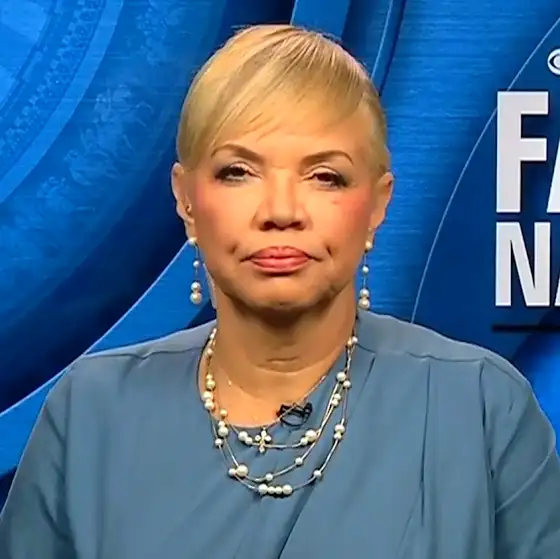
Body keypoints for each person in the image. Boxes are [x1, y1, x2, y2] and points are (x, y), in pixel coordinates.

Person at [0, 24, 559, 559]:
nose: (281, 211)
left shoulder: (481, 407)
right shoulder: (90, 414)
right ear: (186, 199)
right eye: (238, 172)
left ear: (377, 203)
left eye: (325, 176)